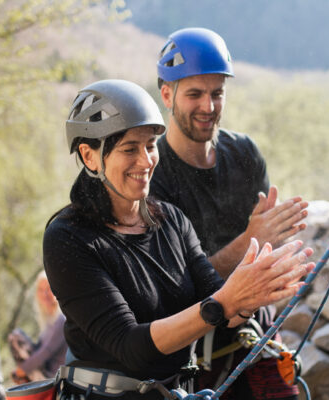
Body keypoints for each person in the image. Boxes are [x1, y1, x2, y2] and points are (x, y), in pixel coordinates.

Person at [42, 79, 314, 400]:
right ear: (89, 156)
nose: (146, 161)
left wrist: (250, 295)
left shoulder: (170, 220)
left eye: (150, 145)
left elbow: (220, 310)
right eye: (130, 149)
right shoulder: (70, 239)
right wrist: (225, 302)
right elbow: (132, 347)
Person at [150, 27, 308, 399]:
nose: (208, 106)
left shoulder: (243, 153)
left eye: (217, 93)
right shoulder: (151, 176)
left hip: (252, 334)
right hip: (191, 351)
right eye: (195, 94)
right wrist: (249, 243)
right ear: (167, 94)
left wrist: (281, 260)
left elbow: (267, 245)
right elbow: (172, 290)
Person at [8, 271, 67, 383]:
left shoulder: (62, 318)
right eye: (41, 290)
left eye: (48, 288)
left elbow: (46, 352)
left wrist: (22, 370)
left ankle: (29, 379)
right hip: (44, 371)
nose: (45, 294)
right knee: (15, 336)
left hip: (54, 377)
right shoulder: (48, 320)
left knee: (15, 337)